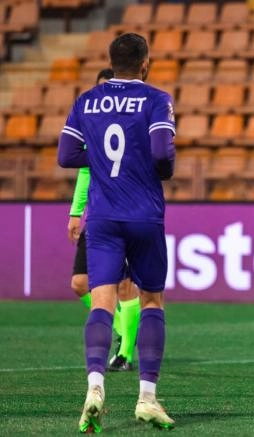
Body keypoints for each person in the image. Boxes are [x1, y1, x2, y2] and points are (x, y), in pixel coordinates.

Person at [58, 33, 176, 432]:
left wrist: (99, 157)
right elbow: (162, 153)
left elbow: (66, 155)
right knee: (152, 301)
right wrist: (155, 167)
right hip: (144, 214)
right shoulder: (156, 98)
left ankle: (95, 386)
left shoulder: (86, 100)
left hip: (104, 217)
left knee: (101, 303)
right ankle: (147, 398)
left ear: (112, 61)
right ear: (145, 63)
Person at [68, 68, 141, 372]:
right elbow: (85, 171)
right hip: (98, 216)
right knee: (80, 283)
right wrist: (76, 212)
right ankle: (122, 328)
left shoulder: (136, 124)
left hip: (127, 214)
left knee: (124, 285)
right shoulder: (93, 127)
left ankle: (125, 353)